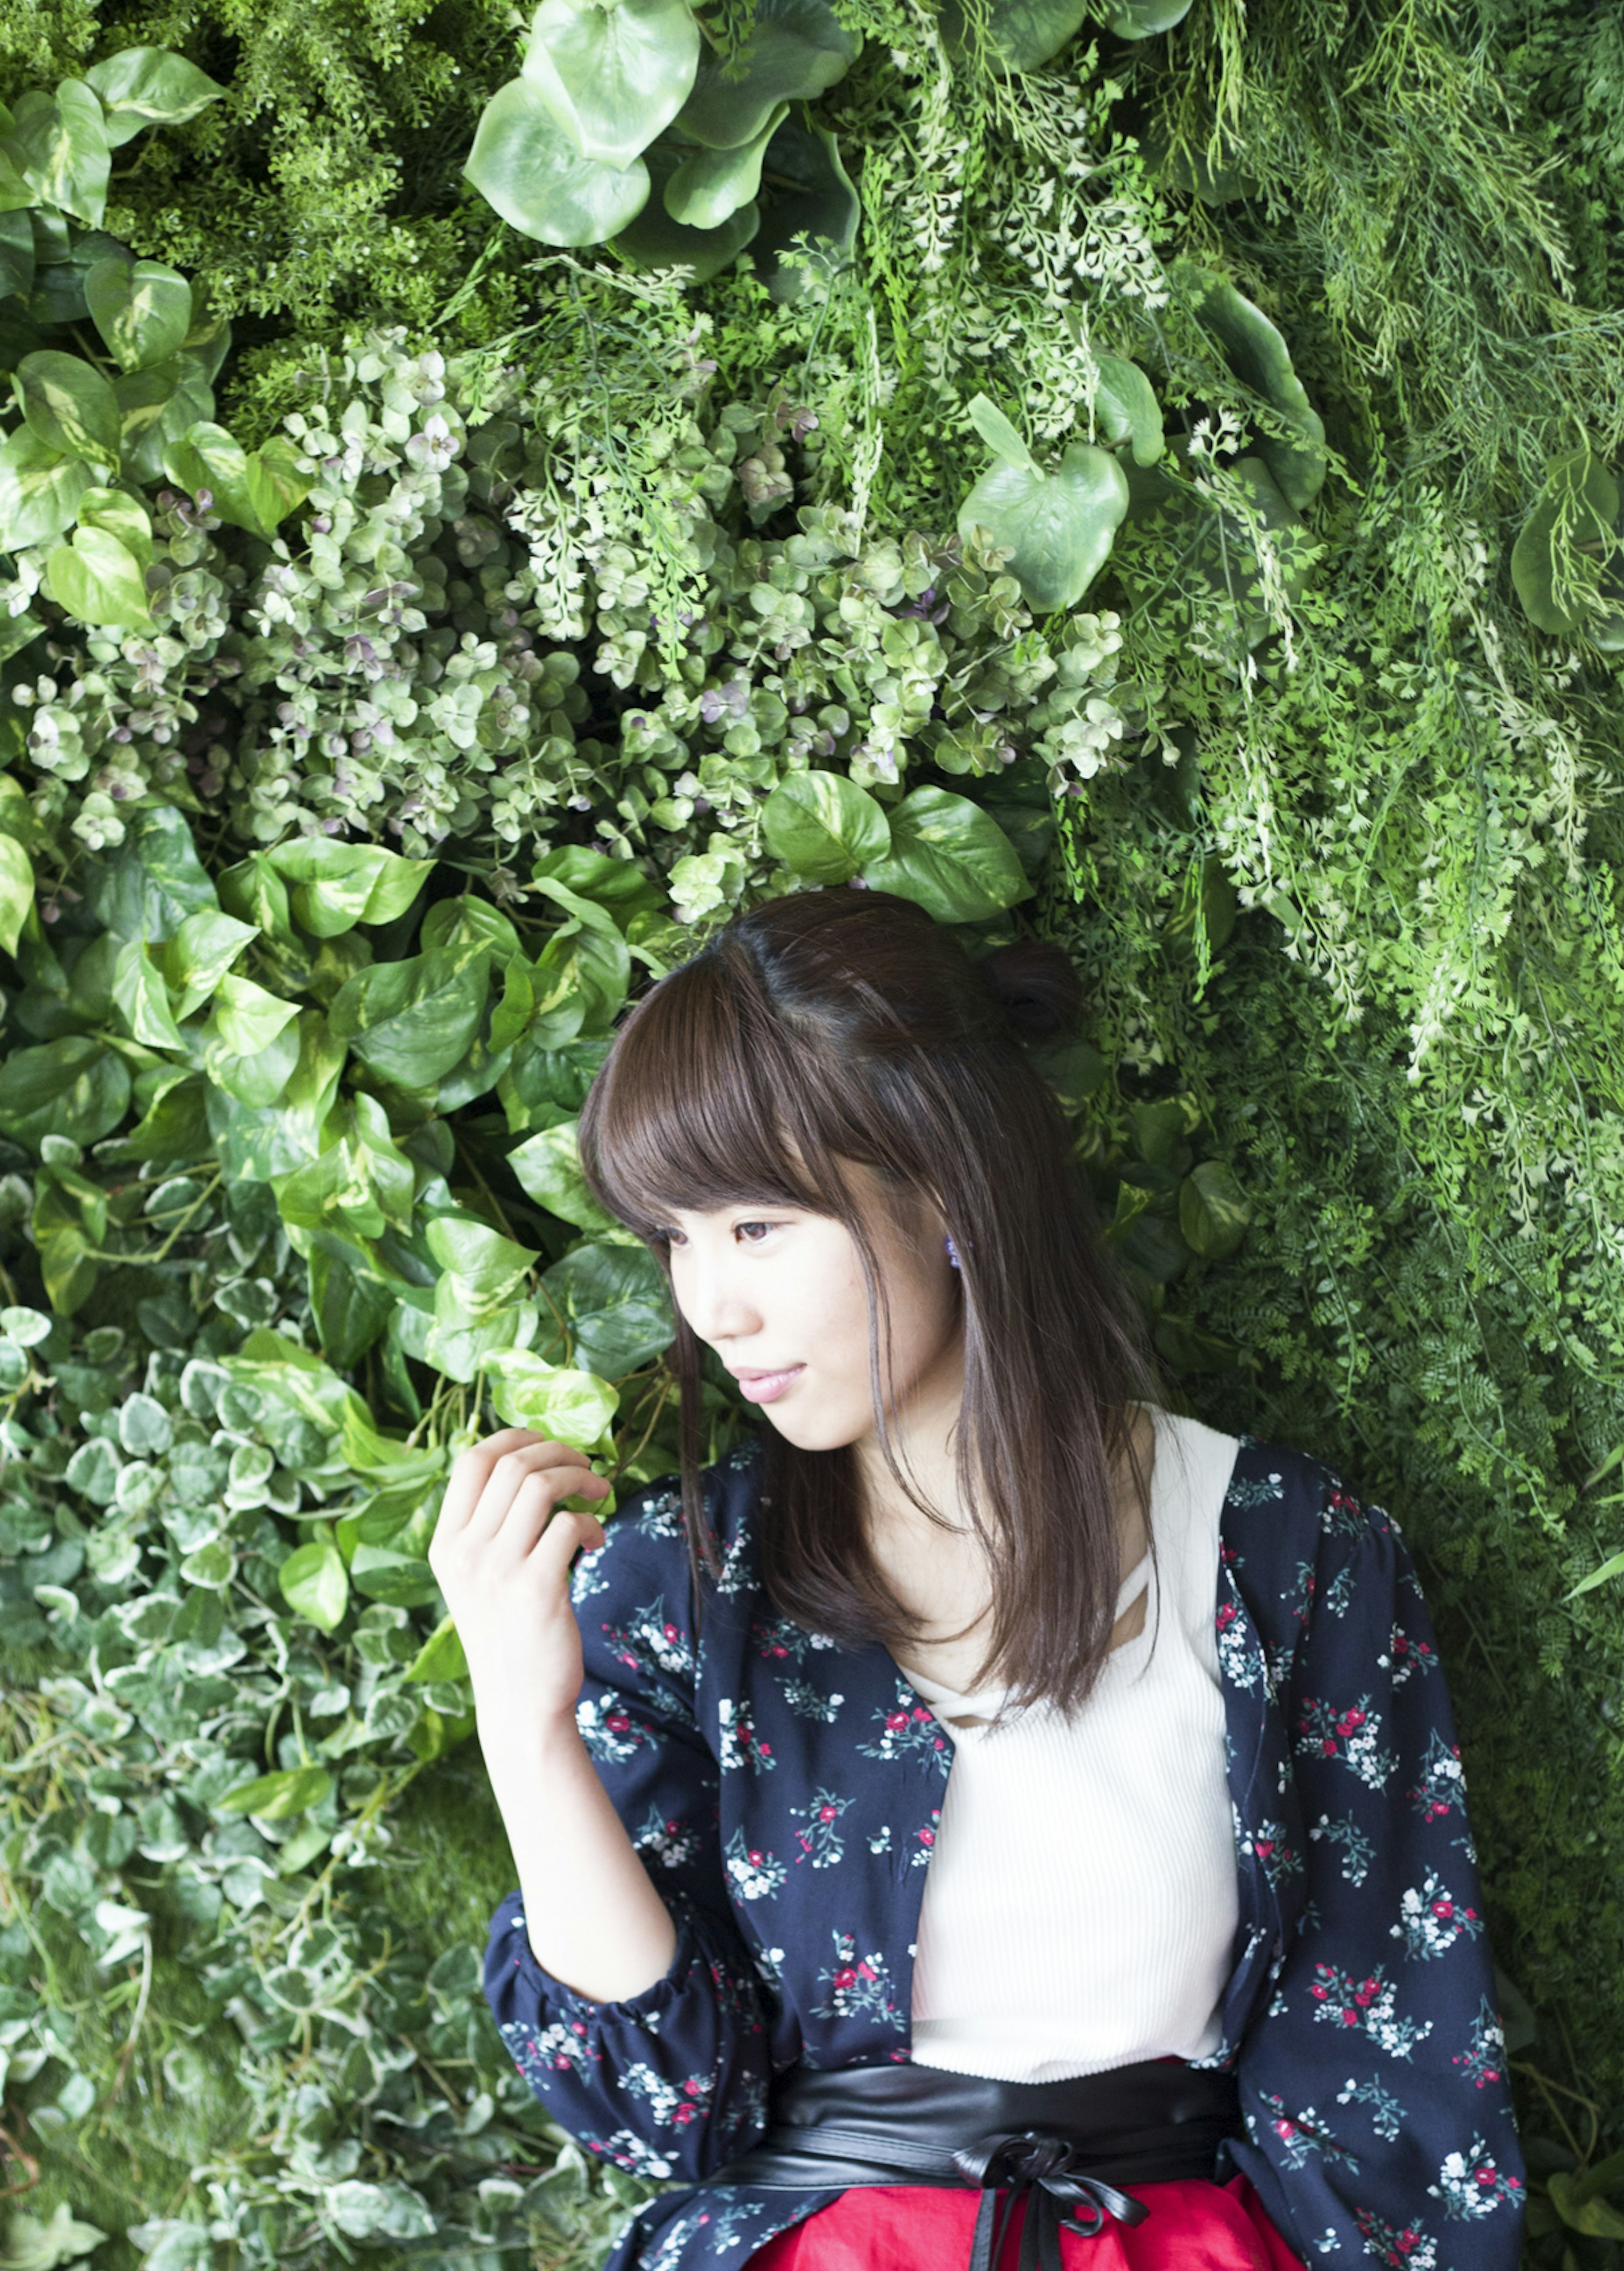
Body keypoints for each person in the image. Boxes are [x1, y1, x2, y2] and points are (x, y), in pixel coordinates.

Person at [430, 888, 1526, 2271]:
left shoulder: (1286, 1553)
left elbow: (1394, 2074)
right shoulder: (679, 1584)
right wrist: (525, 1728)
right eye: (675, 1238)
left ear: (946, 1184)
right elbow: (664, 2106)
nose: (712, 1306)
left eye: (756, 1227)